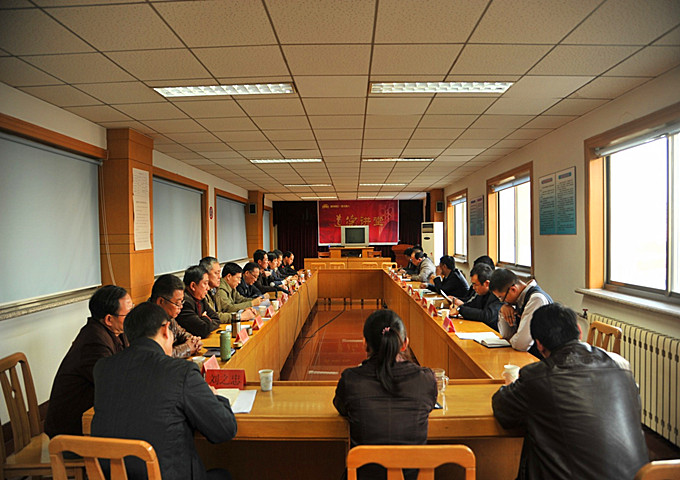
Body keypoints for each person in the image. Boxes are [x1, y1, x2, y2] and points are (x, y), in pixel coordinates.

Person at [492, 303, 648, 480]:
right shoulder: (621, 367)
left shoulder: (537, 377)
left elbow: (502, 409)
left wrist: (512, 385)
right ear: (580, 332)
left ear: (539, 344)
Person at [91, 302, 237, 480]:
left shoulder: (103, 368)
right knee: (223, 475)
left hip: (112, 476)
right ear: (166, 329)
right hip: (165, 474)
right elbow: (224, 429)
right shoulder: (180, 371)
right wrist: (215, 396)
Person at [333, 309, 437, 480]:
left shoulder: (351, 380)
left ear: (365, 344)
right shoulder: (425, 379)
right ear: (405, 344)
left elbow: (342, 408)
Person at [44, 285, 132, 437]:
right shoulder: (94, 341)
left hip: (94, 415)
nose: (133, 317)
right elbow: (115, 383)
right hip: (72, 430)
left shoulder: (118, 332)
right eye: (128, 314)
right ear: (109, 319)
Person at [489, 268, 553, 357]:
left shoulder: (536, 299)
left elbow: (521, 344)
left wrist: (513, 340)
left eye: (502, 298)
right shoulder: (518, 300)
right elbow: (506, 335)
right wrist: (503, 311)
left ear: (513, 289)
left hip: (545, 358)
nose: (503, 301)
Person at [149, 273, 202, 358]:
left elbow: (181, 334)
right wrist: (187, 348)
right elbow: (161, 356)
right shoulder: (148, 321)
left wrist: (193, 340)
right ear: (161, 301)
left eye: (182, 302)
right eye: (177, 303)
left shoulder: (168, 317)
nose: (181, 307)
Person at [449, 263, 501, 331]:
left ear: (487, 283)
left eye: (475, 285)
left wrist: (460, 309)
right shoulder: (481, 294)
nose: (473, 288)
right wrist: (457, 307)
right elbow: (471, 305)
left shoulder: (497, 294)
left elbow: (487, 316)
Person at [176, 265, 221, 338]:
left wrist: (204, 322)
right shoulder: (184, 302)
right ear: (193, 286)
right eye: (205, 283)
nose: (208, 288)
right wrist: (205, 318)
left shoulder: (200, 299)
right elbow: (203, 330)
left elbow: (217, 319)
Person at [199, 256, 232, 324]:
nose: (219, 277)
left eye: (219, 273)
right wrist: (239, 316)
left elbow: (225, 308)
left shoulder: (215, 289)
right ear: (205, 274)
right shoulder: (201, 293)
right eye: (216, 273)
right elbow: (213, 316)